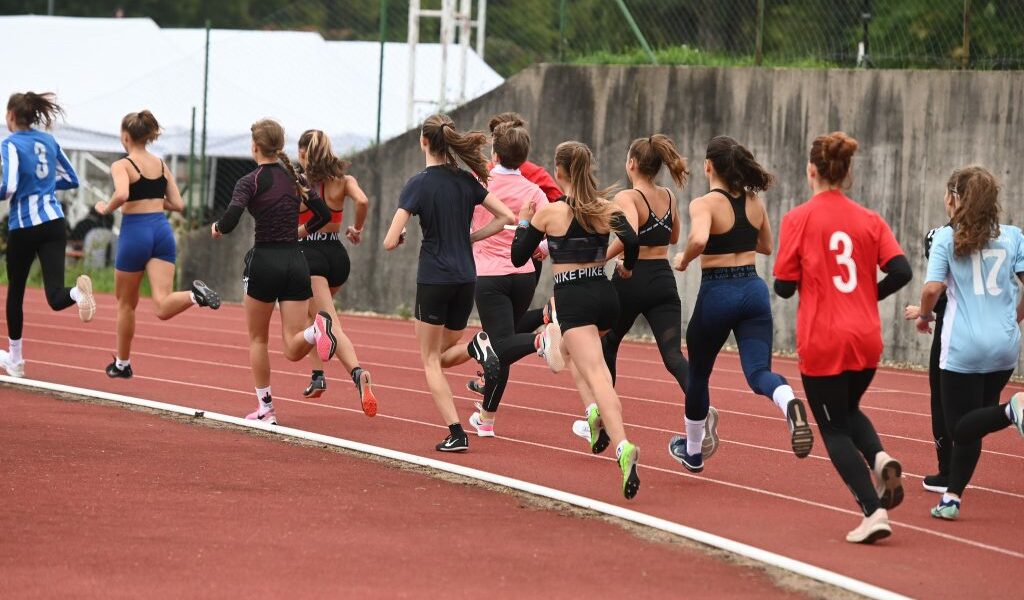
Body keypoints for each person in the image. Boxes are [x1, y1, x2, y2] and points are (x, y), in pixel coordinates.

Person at [774, 132, 913, 544]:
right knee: (848, 408)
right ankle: (879, 456)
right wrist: (869, 294)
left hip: (824, 337)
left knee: (833, 430)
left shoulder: (798, 218)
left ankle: (873, 512)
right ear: (847, 172)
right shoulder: (869, 219)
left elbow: (783, 286)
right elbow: (902, 270)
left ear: (811, 170)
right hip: (866, 335)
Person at [669, 136, 812, 473]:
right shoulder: (754, 202)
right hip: (753, 289)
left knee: (699, 375)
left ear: (708, 166)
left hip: (718, 292)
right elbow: (766, 246)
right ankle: (789, 400)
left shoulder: (703, 204)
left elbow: (700, 238)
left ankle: (692, 451)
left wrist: (685, 259)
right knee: (758, 373)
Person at [511, 140, 643, 500]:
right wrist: (627, 267)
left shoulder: (550, 213)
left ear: (559, 172)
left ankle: (623, 446)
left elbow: (518, 255)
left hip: (574, 300)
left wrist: (524, 220)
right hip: (604, 295)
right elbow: (632, 240)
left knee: (596, 372)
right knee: (570, 351)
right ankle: (593, 416)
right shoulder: (606, 207)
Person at [383, 114, 515, 452]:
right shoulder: (466, 180)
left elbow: (388, 240)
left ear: (424, 142)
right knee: (442, 356)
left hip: (434, 278)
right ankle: (476, 347)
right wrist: (472, 237)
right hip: (465, 278)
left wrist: (399, 238)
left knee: (429, 360)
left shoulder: (418, 183)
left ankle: (456, 432)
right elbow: (507, 217)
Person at [599, 134, 721, 457]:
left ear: (632, 164)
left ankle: (603, 422)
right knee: (673, 356)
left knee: (608, 343)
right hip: (663, 281)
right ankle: (703, 409)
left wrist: (607, 259)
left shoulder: (629, 197)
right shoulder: (669, 196)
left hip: (632, 278)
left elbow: (630, 237)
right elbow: (676, 235)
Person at [915, 165, 1024, 521]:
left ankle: (1013, 410)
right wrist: (1014, 319)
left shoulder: (948, 237)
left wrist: (924, 315)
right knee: (977, 421)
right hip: (1005, 345)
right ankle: (952, 498)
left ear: (956, 198)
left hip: (963, 346)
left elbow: (932, 289)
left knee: (959, 427)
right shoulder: (1014, 236)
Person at [211, 119, 335, 425]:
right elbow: (324, 214)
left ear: (255, 147)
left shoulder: (249, 181)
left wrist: (216, 228)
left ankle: (266, 408)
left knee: (258, 340)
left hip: (265, 262)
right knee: (294, 345)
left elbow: (230, 220)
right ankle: (315, 330)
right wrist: (301, 231)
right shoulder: (295, 177)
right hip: (296, 261)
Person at [95, 110, 220, 379]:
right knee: (162, 305)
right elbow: (179, 204)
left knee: (126, 305)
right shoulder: (162, 165)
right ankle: (193, 296)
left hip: (135, 233)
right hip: (161, 232)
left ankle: (123, 364)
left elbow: (123, 193)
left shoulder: (122, 165)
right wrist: (152, 201)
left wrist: (106, 207)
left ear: (125, 136)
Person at [0, 91, 95, 378]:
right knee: (55, 295)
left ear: (12, 116)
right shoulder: (49, 141)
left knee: (15, 292)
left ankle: (16, 360)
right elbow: (71, 179)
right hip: (54, 222)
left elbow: (9, 187)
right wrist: (43, 186)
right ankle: (78, 293)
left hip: (24, 225)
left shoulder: (11, 143)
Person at [464, 120, 549, 437]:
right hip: (524, 275)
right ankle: (486, 419)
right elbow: (549, 236)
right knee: (503, 345)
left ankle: (541, 339)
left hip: (489, 276)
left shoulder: (479, 182)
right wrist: (539, 248)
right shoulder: (534, 191)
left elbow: (462, 221)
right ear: (524, 157)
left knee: (499, 345)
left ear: (494, 154)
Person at [295, 129, 377, 416]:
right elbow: (363, 201)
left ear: (304, 152)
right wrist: (357, 228)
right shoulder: (344, 180)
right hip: (338, 255)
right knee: (314, 314)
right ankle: (317, 375)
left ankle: (358, 373)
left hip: (311, 254)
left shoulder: (301, 183)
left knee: (330, 322)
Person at [903, 193, 957, 493]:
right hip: (998, 336)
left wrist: (925, 313)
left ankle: (949, 471)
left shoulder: (940, 236)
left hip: (954, 336)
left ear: (950, 198)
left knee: (943, 401)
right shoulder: (1007, 236)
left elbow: (940, 288)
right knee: (974, 404)